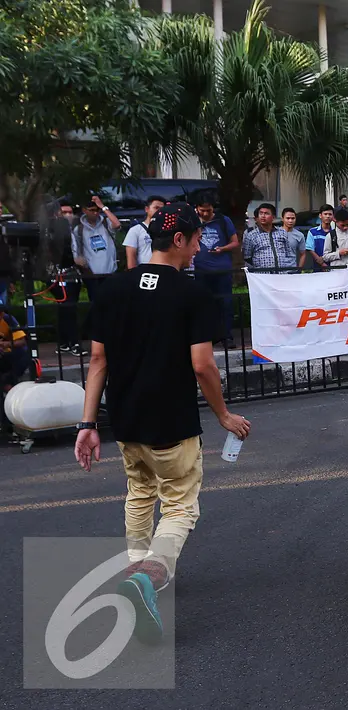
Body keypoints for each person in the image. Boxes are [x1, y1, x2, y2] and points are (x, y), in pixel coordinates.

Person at [75, 203, 250, 644]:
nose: (199, 248)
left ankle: (140, 569)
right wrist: (224, 415)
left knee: (139, 493)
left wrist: (86, 423)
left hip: (126, 417)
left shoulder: (112, 289)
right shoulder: (192, 295)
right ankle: (147, 579)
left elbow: (98, 359)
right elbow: (203, 366)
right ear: (179, 240)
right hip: (172, 419)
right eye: (196, 240)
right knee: (179, 505)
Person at [193, 195, 239, 348]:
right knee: (203, 304)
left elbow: (235, 242)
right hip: (201, 270)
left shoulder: (223, 220)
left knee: (225, 303)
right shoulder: (193, 221)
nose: (205, 214)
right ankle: (207, 336)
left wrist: (222, 249)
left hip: (222, 269)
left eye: (208, 210)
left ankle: (226, 335)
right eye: (202, 210)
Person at [50, 201, 87, 356]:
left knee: (67, 309)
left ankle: (64, 342)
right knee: (67, 308)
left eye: (70, 212)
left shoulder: (74, 229)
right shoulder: (54, 231)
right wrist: (74, 261)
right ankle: (73, 342)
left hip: (73, 274)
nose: (68, 215)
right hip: (62, 273)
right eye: (64, 212)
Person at [73, 194, 121, 301]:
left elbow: (117, 224)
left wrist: (103, 207)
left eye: (97, 210)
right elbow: (76, 249)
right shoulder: (79, 229)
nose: (95, 213)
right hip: (92, 274)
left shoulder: (105, 223)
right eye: (92, 210)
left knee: (111, 302)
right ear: (84, 210)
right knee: (95, 302)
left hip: (109, 272)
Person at [242, 203, 300, 272]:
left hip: (282, 275)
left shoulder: (282, 233)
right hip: (262, 277)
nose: (263, 216)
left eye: (266, 213)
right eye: (261, 213)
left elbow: (288, 254)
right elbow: (247, 258)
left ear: (273, 217)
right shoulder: (251, 235)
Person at [123, 195, 168, 269]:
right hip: (144, 273)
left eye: (162, 209)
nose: (159, 211)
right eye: (156, 208)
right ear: (147, 209)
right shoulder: (135, 230)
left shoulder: (166, 230)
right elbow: (131, 257)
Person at [304, 204, 333, 271]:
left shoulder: (335, 232)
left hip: (333, 267)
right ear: (320, 216)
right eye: (325, 214)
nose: (328, 216)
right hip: (317, 267)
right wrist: (322, 263)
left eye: (330, 214)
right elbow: (310, 249)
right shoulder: (312, 232)